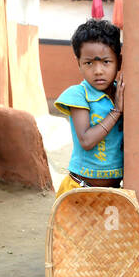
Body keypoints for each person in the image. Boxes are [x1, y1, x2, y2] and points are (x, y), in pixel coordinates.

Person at [53, 19, 124, 196]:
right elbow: (86, 140)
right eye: (89, 63)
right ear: (78, 63)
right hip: (80, 190)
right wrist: (116, 111)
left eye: (106, 62)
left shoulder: (122, 93)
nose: (98, 70)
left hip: (114, 192)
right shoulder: (79, 94)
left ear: (119, 62)